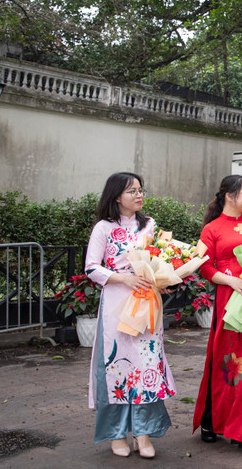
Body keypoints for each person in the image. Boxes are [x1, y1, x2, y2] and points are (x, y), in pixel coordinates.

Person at [84, 172, 175, 459]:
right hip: (116, 304)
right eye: (132, 191)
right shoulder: (103, 228)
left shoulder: (149, 225)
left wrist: (164, 278)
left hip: (147, 303)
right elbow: (91, 267)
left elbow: (158, 259)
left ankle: (143, 433)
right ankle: (117, 434)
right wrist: (124, 279)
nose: (139, 195)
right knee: (117, 367)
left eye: (140, 190)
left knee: (147, 366)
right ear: (116, 196)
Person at [192, 175, 242, 456]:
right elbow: (204, 266)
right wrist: (231, 281)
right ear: (229, 195)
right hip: (229, 300)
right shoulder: (211, 229)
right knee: (226, 362)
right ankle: (213, 421)